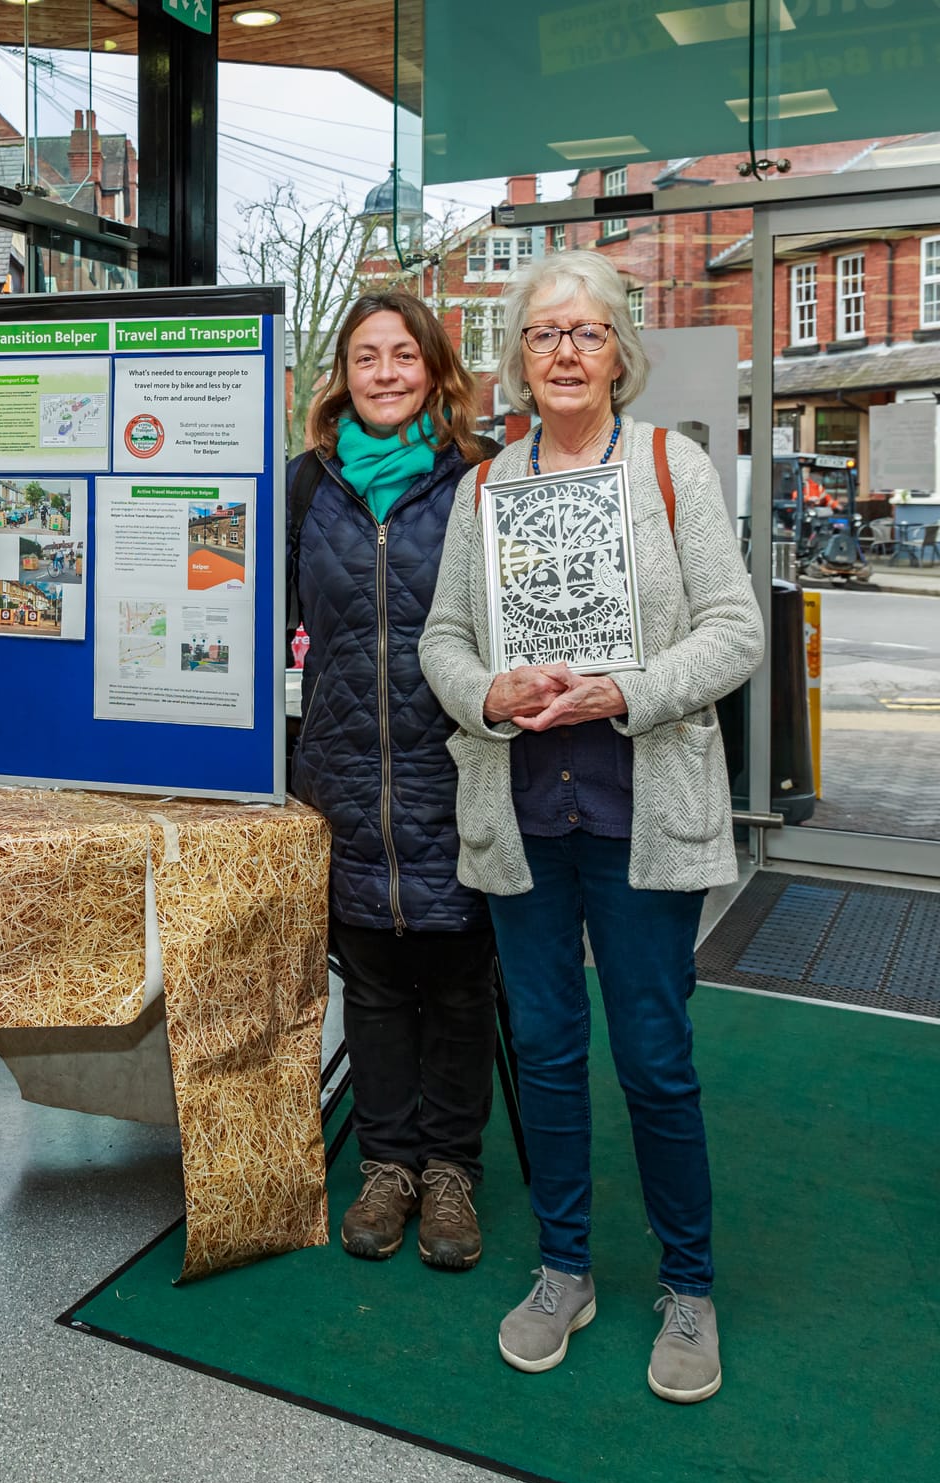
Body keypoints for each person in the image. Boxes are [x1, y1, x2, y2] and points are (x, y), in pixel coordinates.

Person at [420, 249, 762, 1405]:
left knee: (656, 1062)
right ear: (515, 360)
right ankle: (563, 1266)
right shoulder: (483, 488)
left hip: (639, 817)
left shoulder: (671, 471)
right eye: (541, 334)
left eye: (585, 333)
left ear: (620, 353)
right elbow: (440, 641)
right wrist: (483, 694)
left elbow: (732, 630)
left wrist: (627, 688)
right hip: (522, 817)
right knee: (549, 1058)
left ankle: (689, 1286)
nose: (562, 353)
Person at [285, 291, 498, 1272]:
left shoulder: (481, 483)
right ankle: (384, 1166)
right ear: (342, 373)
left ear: (432, 369)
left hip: (454, 766)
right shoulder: (304, 489)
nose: (382, 373)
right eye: (365, 356)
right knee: (368, 977)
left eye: (401, 355)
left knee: (456, 979)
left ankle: (448, 1170)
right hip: (339, 769)